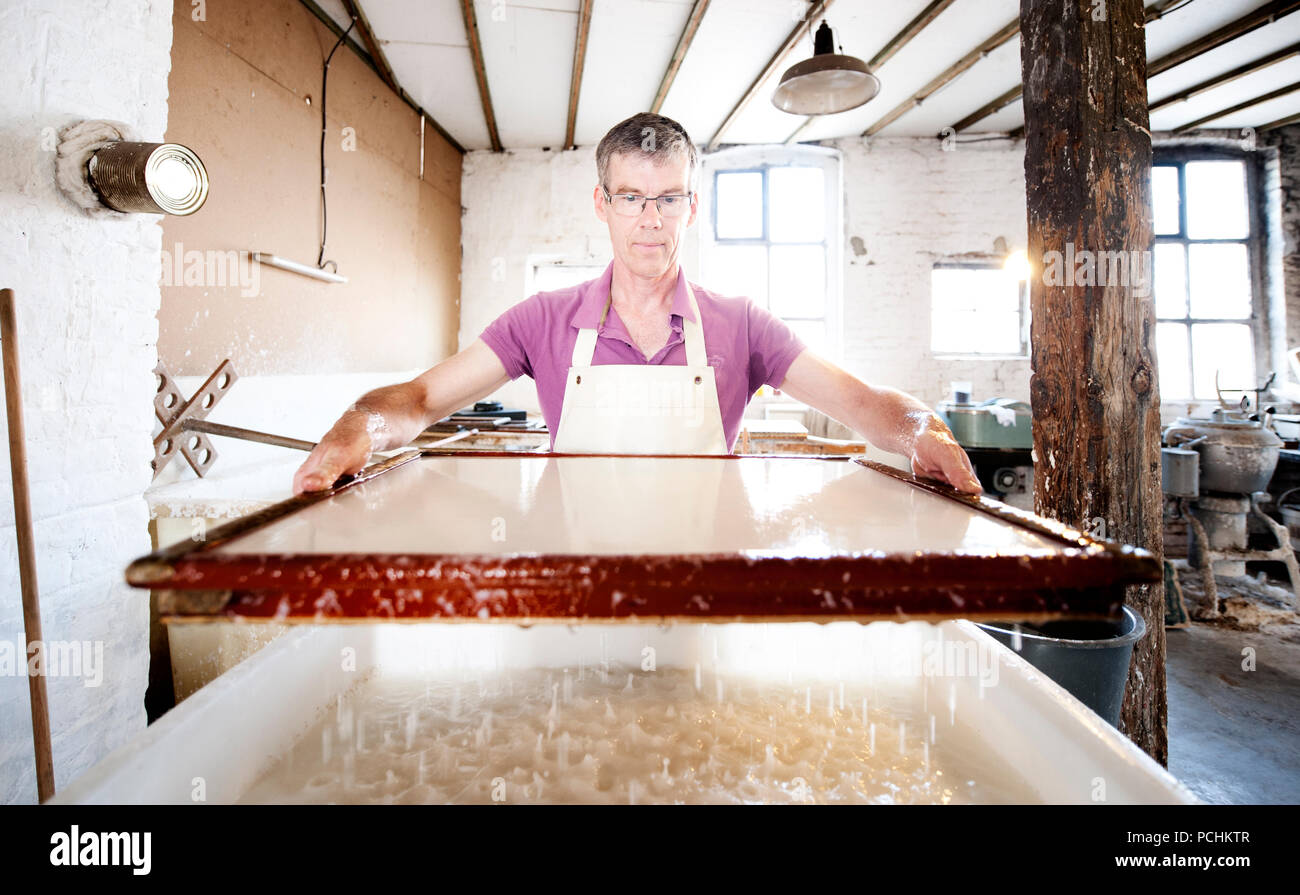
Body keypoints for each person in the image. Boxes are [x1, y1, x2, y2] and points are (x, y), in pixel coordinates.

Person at [293, 112, 981, 496]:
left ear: (692, 205)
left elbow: (863, 405)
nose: (650, 219)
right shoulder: (542, 320)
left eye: (668, 198)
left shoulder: (742, 324)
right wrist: (358, 425)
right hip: (575, 591)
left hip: (706, 597)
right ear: (603, 202)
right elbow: (417, 399)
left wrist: (921, 428)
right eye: (631, 197)